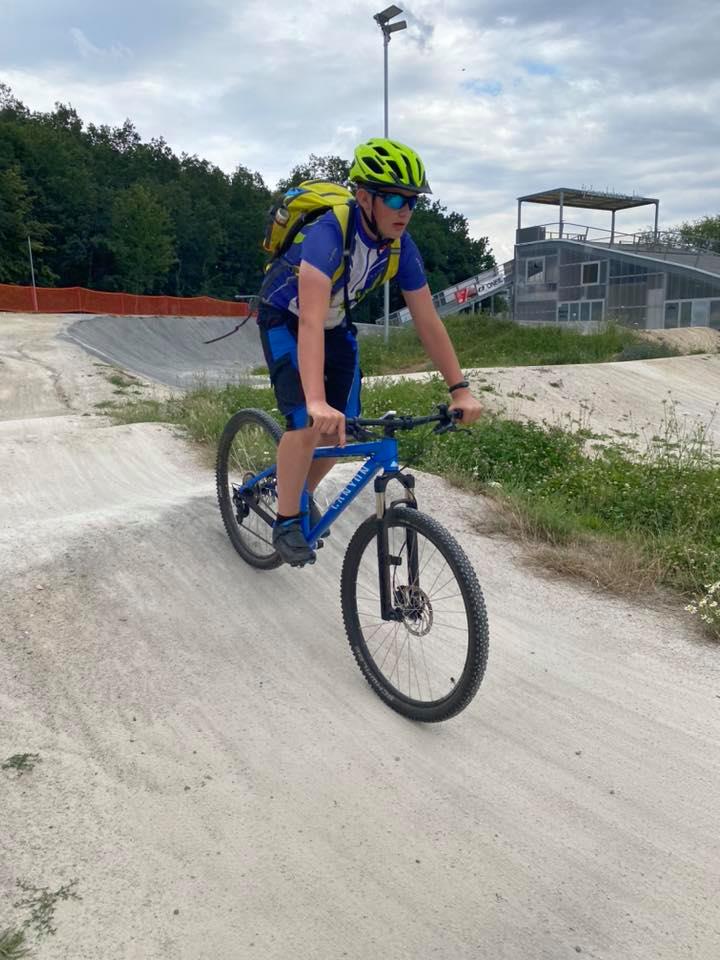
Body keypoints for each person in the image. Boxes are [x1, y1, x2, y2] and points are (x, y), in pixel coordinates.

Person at [257, 137, 483, 566]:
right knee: (306, 419)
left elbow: (427, 320)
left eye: (412, 201)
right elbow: (308, 321)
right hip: (286, 317)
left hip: (334, 322)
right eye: (395, 198)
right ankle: (285, 520)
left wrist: (460, 388)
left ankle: (299, 493)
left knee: (343, 428)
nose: (405, 210)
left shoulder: (401, 247)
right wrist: (316, 400)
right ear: (364, 197)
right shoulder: (328, 234)